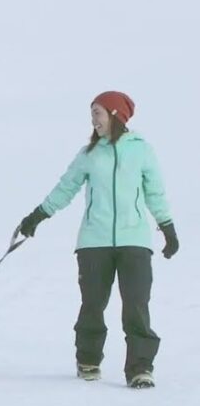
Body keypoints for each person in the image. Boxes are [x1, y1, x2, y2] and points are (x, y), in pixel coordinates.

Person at [17, 91, 177, 389]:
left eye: (98, 113)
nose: (93, 120)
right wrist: (37, 216)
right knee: (92, 303)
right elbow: (65, 188)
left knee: (136, 306)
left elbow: (155, 193)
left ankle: (140, 368)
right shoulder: (88, 154)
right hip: (94, 242)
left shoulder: (142, 151)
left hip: (135, 241)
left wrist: (167, 228)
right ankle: (88, 359)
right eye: (92, 113)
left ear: (116, 115)